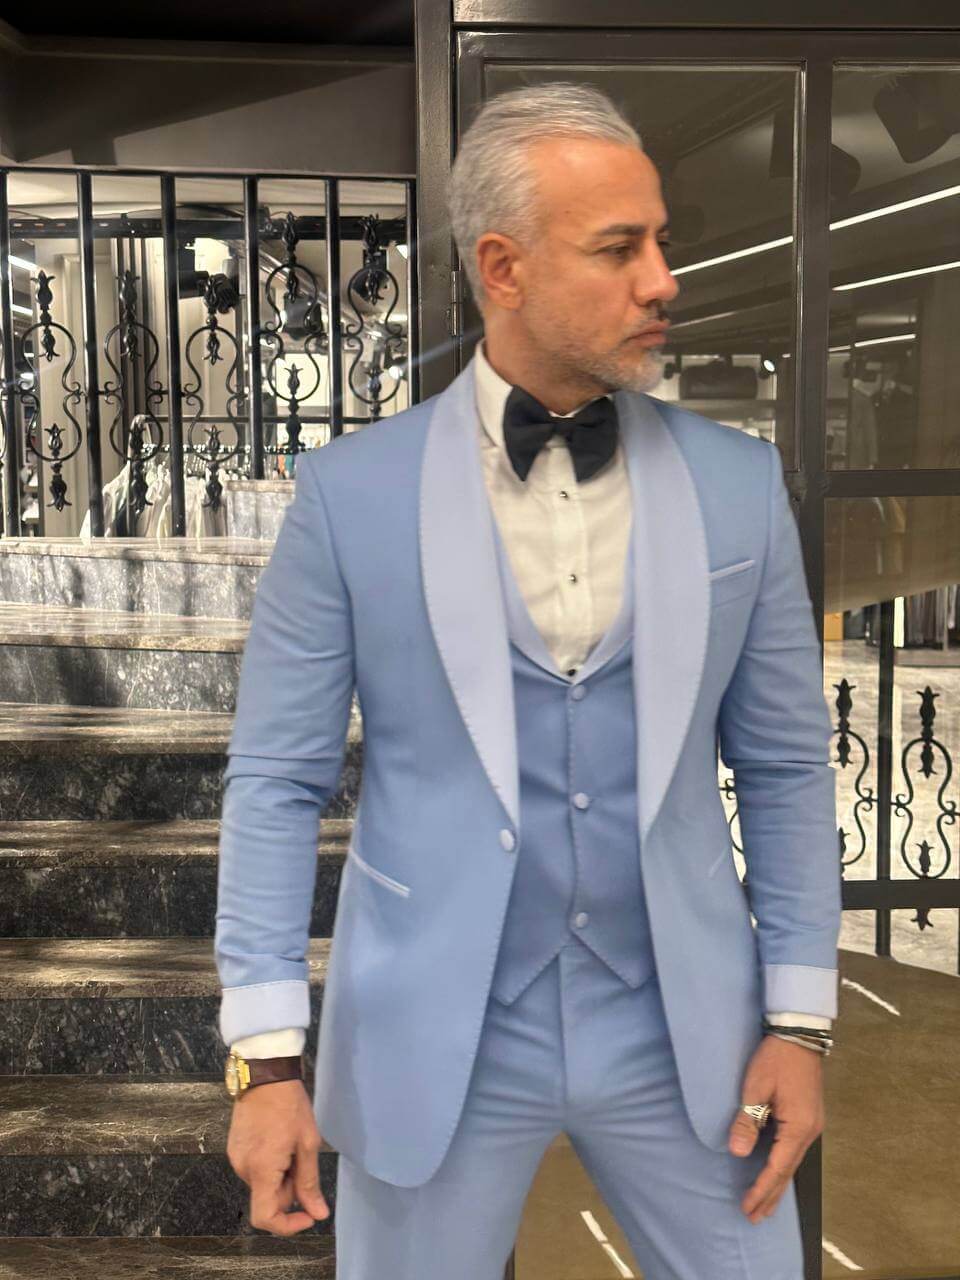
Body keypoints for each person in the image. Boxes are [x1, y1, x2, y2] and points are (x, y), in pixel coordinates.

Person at [215, 81, 840, 1279]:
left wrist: (801, 1019)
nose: (663, 279)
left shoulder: (739, 485)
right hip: (433, 1024)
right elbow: (276, 782)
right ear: (502, 267)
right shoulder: (350, 496)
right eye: (620, 247)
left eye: (661, 241)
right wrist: (267, 1056)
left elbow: (782, 767)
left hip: (682, 1028)